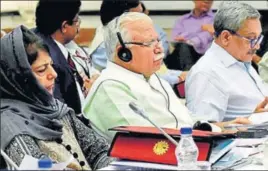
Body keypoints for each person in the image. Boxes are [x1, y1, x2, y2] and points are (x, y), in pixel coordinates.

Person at [83, 12, 251, 142]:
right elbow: (144, 142)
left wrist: (222, 127)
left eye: (158, 41)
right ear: (123, 52)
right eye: (149, 43)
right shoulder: (111, 87)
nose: (159, 49)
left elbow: (183, 119)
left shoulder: (150, 77)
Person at [0, 25, 113, 170]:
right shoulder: (9, 124)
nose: (53, 74)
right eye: (41, 70)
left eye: (51, 65)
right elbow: (36, 165)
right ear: (19, 78)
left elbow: (98, 150)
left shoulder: (55, 108)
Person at [186, 1, 268, 122]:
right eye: (251, 39)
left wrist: (254, 116)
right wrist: (248, 122)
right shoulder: (208, 73)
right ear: (226, 37)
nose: (257, 47)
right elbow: (203, 131)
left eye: (258, 38)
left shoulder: (239, 60)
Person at [89, 0, 186, 87]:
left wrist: (182, 74)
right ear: (122, 18)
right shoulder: (108, 45)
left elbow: (158, 70)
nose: (145, 18)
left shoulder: (125, 36)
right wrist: (178, 78)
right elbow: (140, 78)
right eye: (140, 15)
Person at [33, 0, 97, 115]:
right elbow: (60, 109)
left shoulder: (51, 40)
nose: (79, 25)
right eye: (77, 21)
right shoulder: (48, 60)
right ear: (64, 26)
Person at [167, 0, 214, 70]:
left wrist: (190, 40)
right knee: (177, 52)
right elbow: (175, 38)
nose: (207, 1)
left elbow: (208, 35)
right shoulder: (182, 20)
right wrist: (186, 40)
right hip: (184, 52)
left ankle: (188, 74)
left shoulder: (216, 19)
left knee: (183, 47)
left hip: (206, 55)